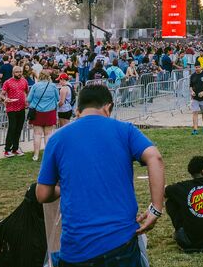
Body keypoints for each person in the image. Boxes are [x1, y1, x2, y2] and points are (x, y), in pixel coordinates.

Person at [35, 84, 165, 267]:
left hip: (76, 248)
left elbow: (42, 194)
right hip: (121, 242)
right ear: (108, 107)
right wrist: (156, 209)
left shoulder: (58, 138)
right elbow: (155, 158)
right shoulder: (124, 130)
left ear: (78, 110)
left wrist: (64, 186)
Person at [165, 155, 203, 252]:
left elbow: (165, 192)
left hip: (189, 242)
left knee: (170, 201)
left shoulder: (181, 188)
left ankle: (182, 230)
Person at [26, 70, 60, 161]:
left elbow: (29, 99)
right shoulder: (53, 86)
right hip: (50, 112)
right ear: (48, 76)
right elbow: (58, 98)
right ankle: (48, 155)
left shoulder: (35, 86)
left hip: (37, 112)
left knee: (37, 134)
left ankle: (36, 155)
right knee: (48, 134)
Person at [1, 65, 29, 156]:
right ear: (13, 73)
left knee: (19, 129)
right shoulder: (7, 82)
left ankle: (15, 148)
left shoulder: (24, 81)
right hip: (11, 108)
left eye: (20, 71)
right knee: (12, 128)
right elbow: (2, 94)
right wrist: (5, 99)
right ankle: (7, 149)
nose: (19, 73)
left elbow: (27, 92)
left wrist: (27, 101)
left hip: (21, 108)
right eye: (17, 72)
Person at [189, 60, 203, 135]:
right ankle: (195, 129)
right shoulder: (193, 75)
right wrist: (192, 92)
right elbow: (190, 86)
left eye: (198, 67)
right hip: (195, 98)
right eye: (196, 67)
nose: (197, 68)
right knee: (195, 112)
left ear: (201, 67)